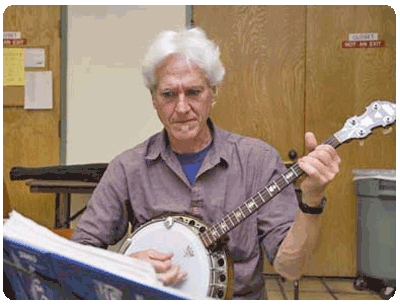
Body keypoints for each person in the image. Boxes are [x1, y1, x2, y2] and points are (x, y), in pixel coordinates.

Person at [71, 27, 341, 299]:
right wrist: (127, 266)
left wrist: (312, 200)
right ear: (153, 99)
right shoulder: (128, 168)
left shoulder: (258, 161)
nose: (181, 107)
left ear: (213, 93)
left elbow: (289, 268)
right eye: (168, 94)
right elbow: (79, 251)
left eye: (193, 92)